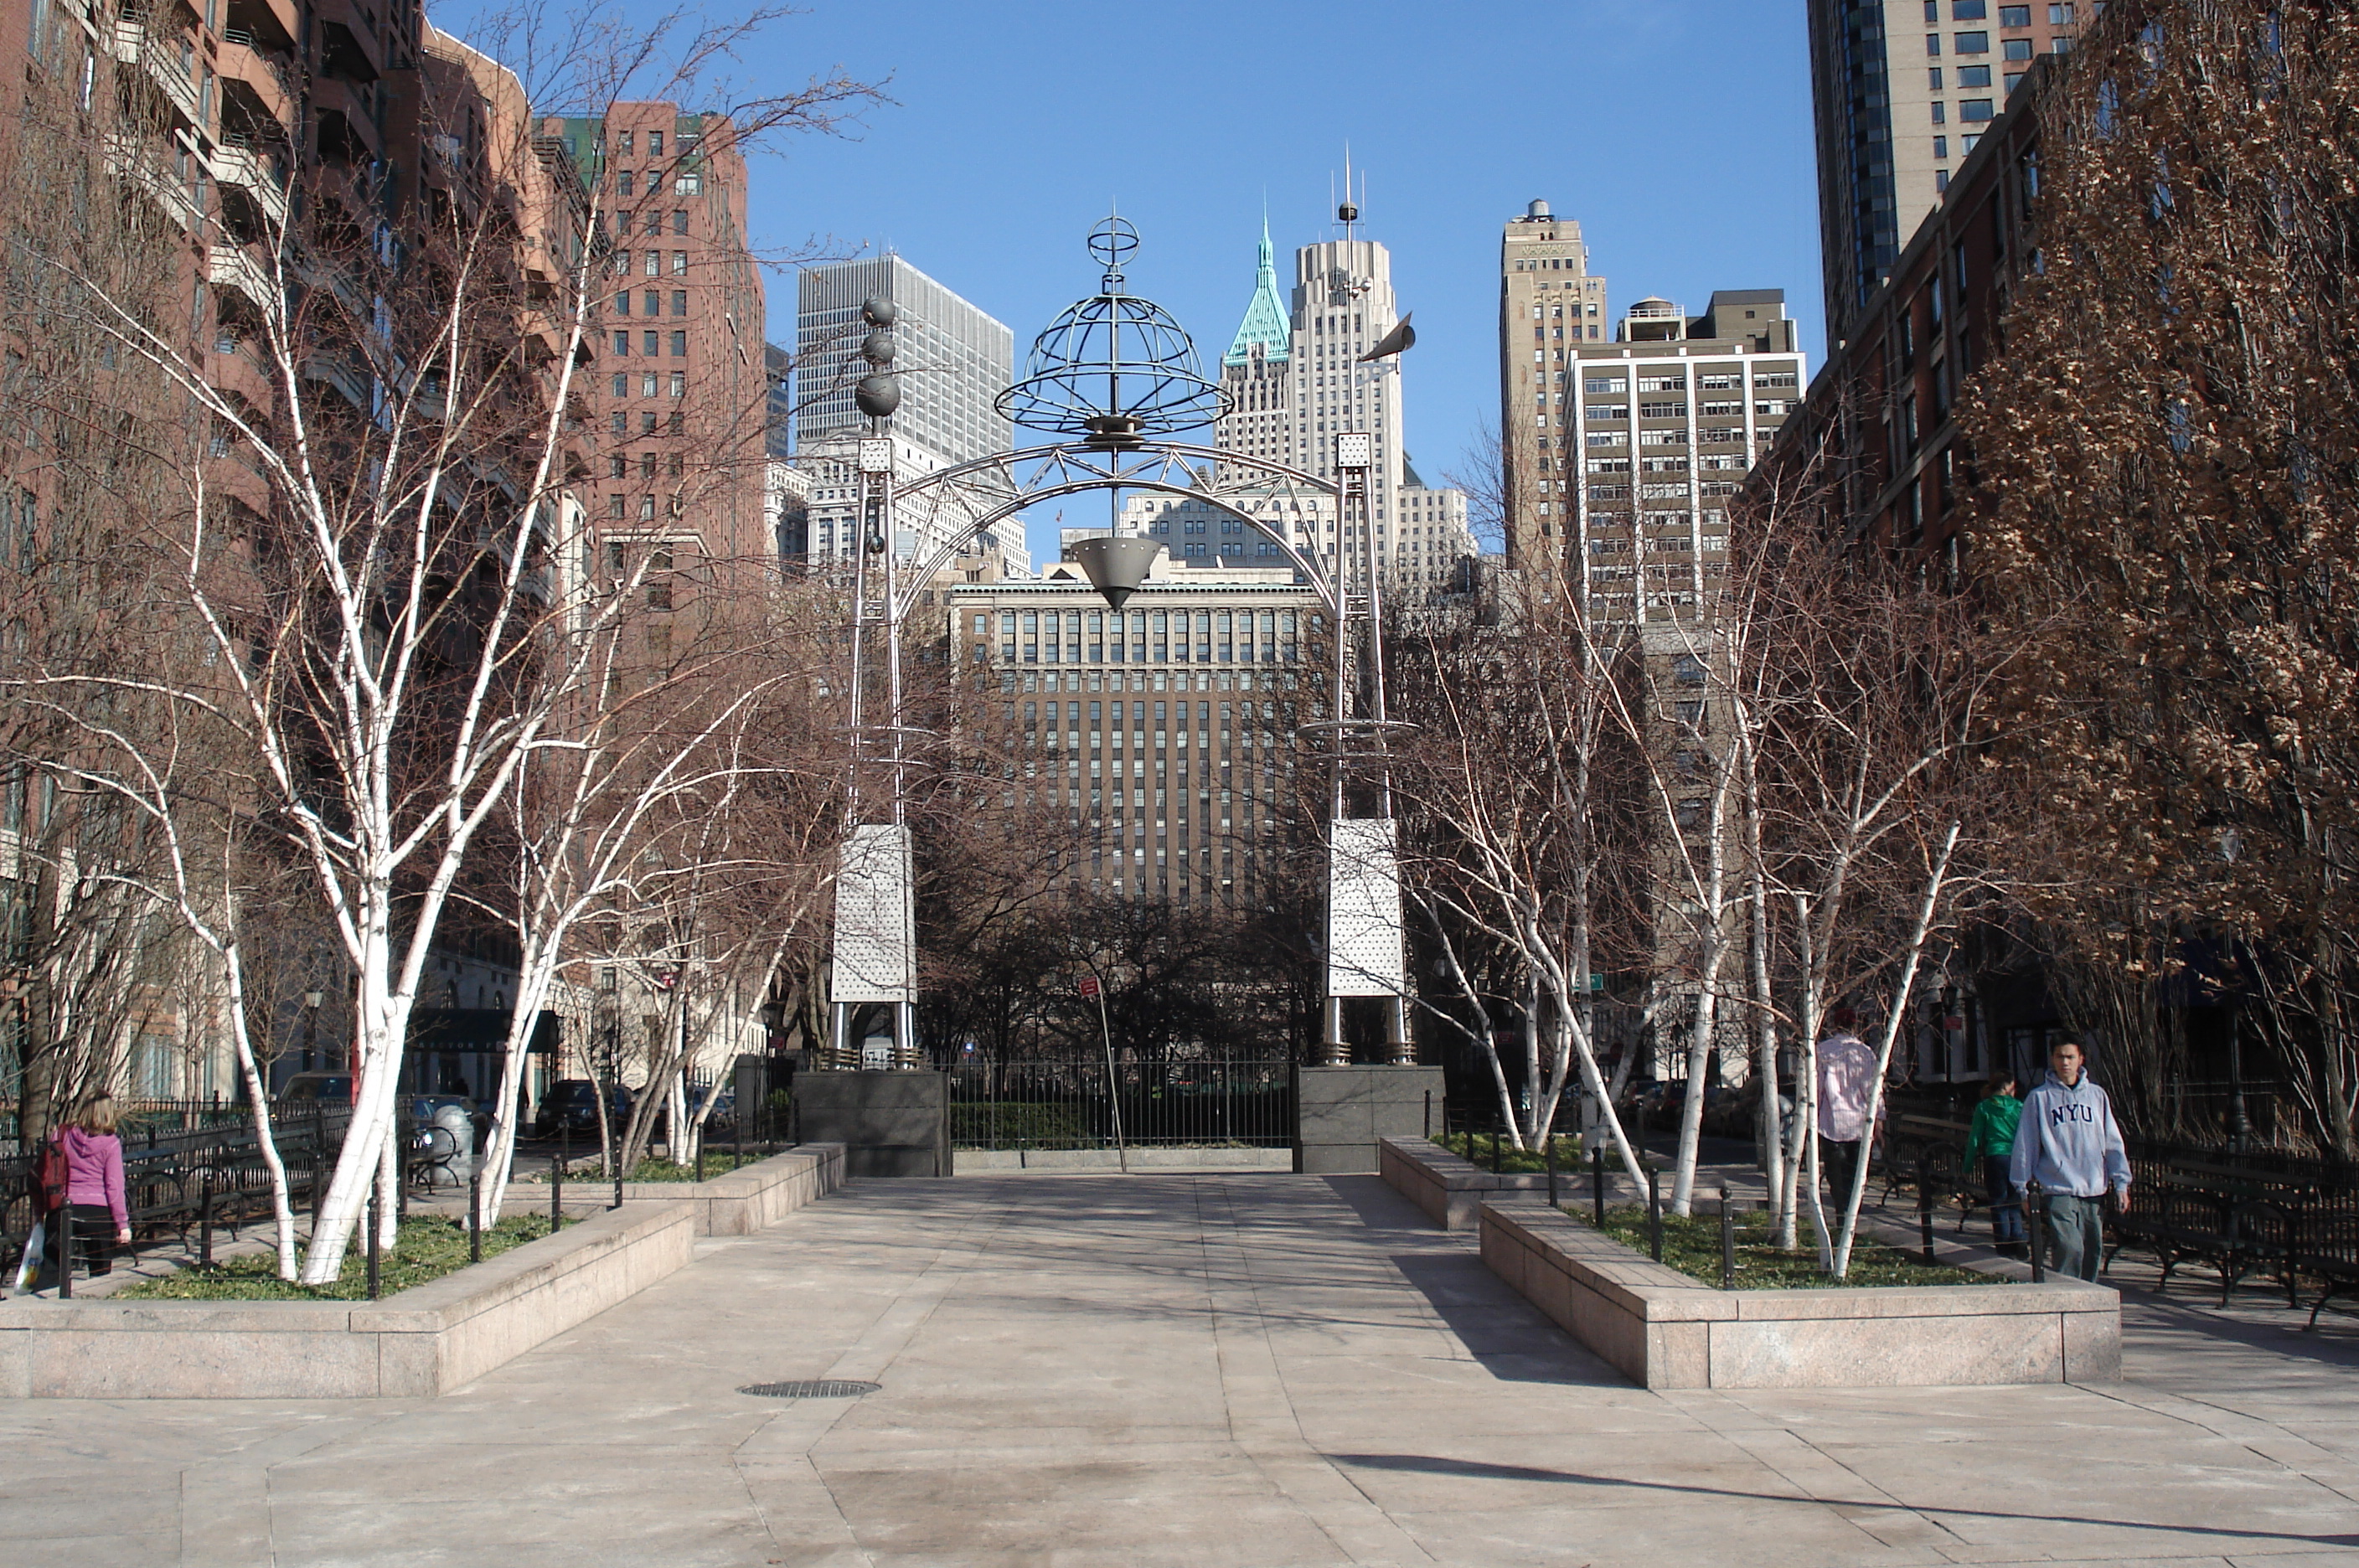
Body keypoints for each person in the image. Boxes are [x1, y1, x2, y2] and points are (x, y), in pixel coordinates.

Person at [2010, 1040, 2131, 1282]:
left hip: (2093, 1186)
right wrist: (2023, 1188)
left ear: (2081, 1059)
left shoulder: (2097, 1095)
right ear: (2052, 1059)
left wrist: (2121, 1183)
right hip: (2058, 1186)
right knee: (2070, 1247)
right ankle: (2065, 1295)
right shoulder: (2040, 1098)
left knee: (2092, 1249)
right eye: (2059, 1057)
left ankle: (2088, 1295)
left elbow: (2113, 1142)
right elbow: (2027, 1145)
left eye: (2070, 1057)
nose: (2065, 1063)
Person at [54, 1091, 131, 1279]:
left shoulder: (62, 1135)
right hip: (97, 1209)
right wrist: (122, 1224)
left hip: (63, 1205)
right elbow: (114, 1186)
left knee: (52, 1266)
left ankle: (45, 1302)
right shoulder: (111, 1144)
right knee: (100, 1269)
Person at [1816, 1024, 1881, 1209]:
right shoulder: (1865, 1052)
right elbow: (1873, 1089)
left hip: (1832, 1123)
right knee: (1855, 1172)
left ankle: (1841, 1211)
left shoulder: (1822, 1051)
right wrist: (1878, 1118)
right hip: (1858, 1123)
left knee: (1836, 1173)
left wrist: (1811, 1118)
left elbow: (1817, 1089)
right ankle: (1851, 1212)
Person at [1964, 1075, 2026, 1254]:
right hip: (2015, 1157)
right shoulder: (2019, 1108)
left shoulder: (1984, 1108)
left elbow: (1975, 1138)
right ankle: (2018, 1238)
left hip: (1995, 1156)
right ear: (2009, 1087)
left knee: (1998, 1202)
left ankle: (2003, 1244)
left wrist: (1968, 1166)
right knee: (2014, 1201)